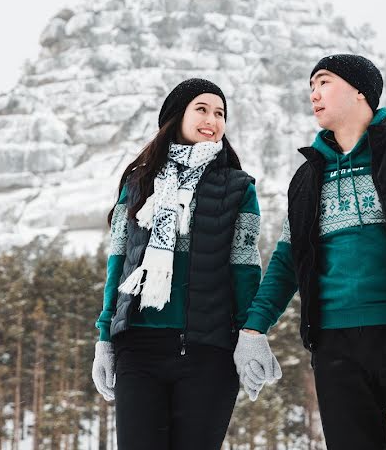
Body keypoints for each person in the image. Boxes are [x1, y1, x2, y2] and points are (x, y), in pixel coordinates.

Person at [233, 54, 386, 449]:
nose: (313, 94)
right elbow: (286, 263)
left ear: (361, 91)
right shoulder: (305, 178)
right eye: (310, 87)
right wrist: (253, 329)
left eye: (324, 82)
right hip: (335, 346)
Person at [91, 78, 262, 450]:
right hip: (138, 350)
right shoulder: (137, 184)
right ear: (176, 116)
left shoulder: (238, 187)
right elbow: (118, 264)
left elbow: (246, 269)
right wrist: (105, 338)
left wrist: (252, 335)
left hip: (209, 353)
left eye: (220, 113)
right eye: (201, 109)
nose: (212, 120)